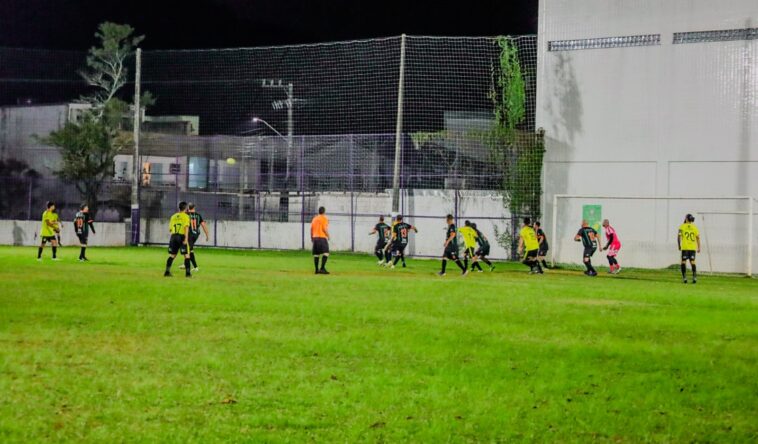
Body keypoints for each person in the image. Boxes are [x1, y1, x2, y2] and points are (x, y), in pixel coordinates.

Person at [164, 201, 192, 278]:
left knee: (172, 255)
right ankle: (188, 274)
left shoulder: (173, 216)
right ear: (186, 208)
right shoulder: (186, 217)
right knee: (187, 255)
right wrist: (186, 239)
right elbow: (186, 227)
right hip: (182, 236)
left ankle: (167, 271)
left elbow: (170, 229)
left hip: (173, 236)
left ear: (179, 208)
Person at [184, 203, 209, 272]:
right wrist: (207, 235)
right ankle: (185, 264)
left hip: (189, 233)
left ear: (188, 208)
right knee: (188, 248)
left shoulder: (186, 214)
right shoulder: (198, 215)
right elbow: (203, 225)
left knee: (189, 249)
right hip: (196, 234)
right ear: (194, 207)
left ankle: (195, 267)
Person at [678, 213, 700, 284]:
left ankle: (684, 278)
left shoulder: (682, 226)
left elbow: (679, 236)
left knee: (683, 262)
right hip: (692, 248)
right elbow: (698, 237)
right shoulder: (694, 227)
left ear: (686, 219)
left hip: (685, 247)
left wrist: (679, 245)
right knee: (692, 262)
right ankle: (694, 277)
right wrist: (699, 247)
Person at [311, 206, 330, 275]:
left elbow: (311, 229)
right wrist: (328, 235)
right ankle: (322, 268)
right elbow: (324, 228)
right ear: (324, 212)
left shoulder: (314, 219)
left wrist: (312, 237)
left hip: (315, 238)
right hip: (322, 237)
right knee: (326, 253)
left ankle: (316, 270)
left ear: (318, 212)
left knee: (316, 254)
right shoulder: (324, 218)